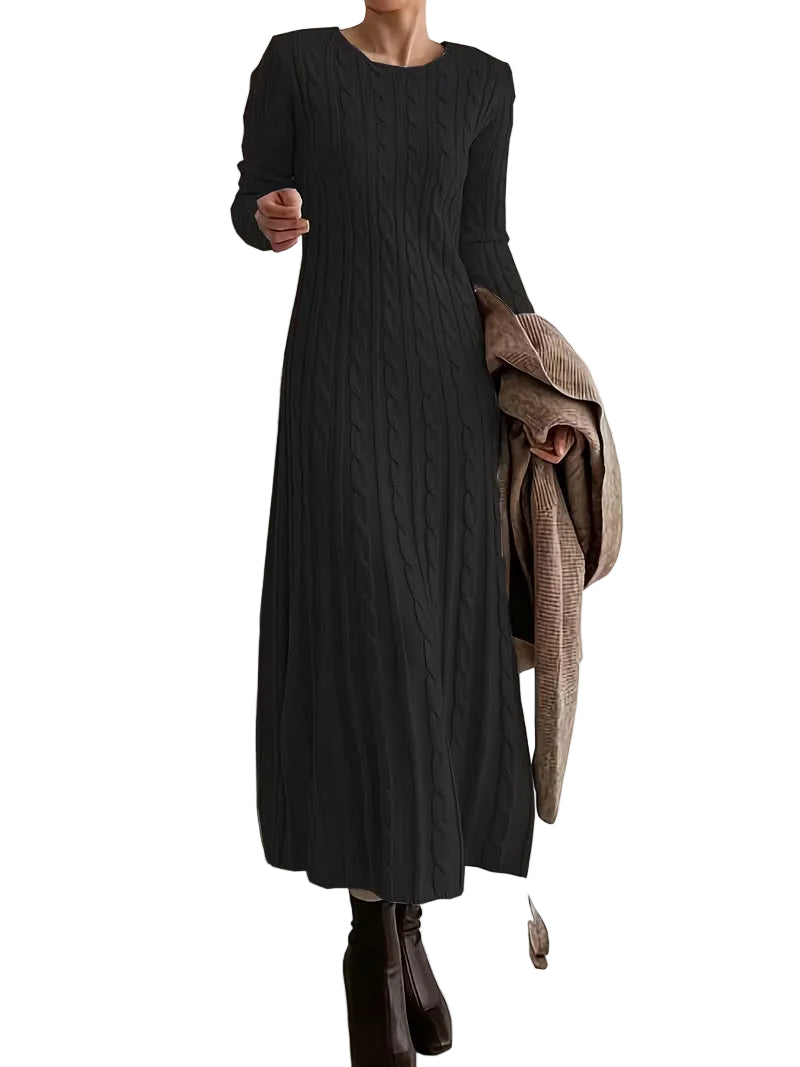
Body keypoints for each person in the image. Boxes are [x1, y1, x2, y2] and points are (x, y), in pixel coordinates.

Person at [230, 6, 567, 1064]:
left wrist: (542, 386)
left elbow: (482, 242)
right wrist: (266, 215)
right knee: (373, 640)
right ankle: (369, 951)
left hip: (446, 394)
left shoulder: (484, 82)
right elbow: (251, 197)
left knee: (435, 645)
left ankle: (407, 923)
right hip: (337, 375)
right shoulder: (295, 64)